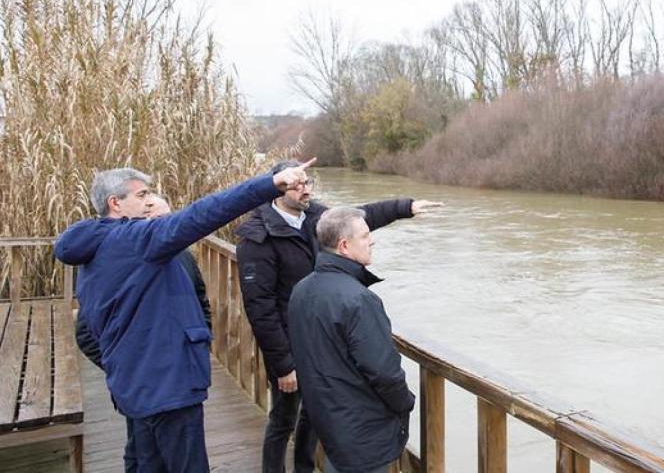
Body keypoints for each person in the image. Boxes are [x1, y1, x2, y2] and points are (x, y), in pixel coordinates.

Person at [56, 160, 315, 473]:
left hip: (134, 383)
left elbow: (93, 324)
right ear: (116, 203)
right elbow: (206, 212)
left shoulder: (95, 248)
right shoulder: (136, 240)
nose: (149, 200)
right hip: (167, 387)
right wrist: (270, 183)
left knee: (144, 462)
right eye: (141, 195)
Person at [236, 160, 441, 473]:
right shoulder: (257, 236)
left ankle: (305, 467)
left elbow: (359, 217)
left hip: (325, 334)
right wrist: (283, 363)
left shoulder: (316, 218)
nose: (305, 189)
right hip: (294, 345)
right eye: (297, 184)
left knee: (315, 415)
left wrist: (405, 206)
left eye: (308, 183)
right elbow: (260, 306)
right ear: (277, 188)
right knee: (283, 419)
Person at [73, 194, 211, 473]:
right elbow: (86, 333)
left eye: (171, 219)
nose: (168, 227)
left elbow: (200, 301)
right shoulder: (119, 261)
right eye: (159, 220)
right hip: (140, 384)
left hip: (180, 381)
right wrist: (125, 362)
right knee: (141, 456)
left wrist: (198, 345)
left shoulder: (183, 256)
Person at [288, 207, 414, 473]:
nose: (372, 240)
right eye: (366, 235)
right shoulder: (358, 299)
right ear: (344, 246)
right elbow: (384, 371)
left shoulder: (301, 289)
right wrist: (406, 403)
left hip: (328, 418)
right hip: (362, 428)